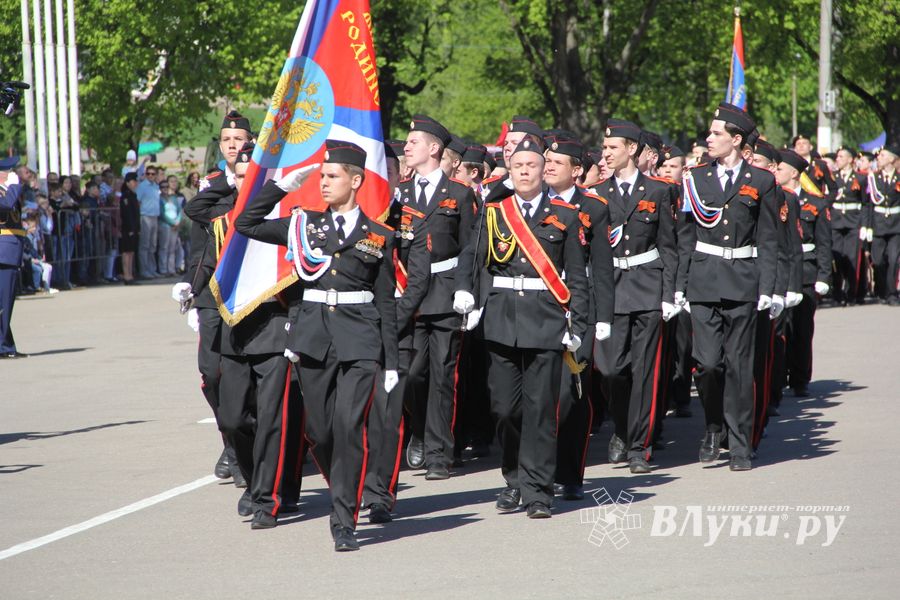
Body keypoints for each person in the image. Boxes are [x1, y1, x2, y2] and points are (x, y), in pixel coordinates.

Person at [235, 140, 399, 551]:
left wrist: (392, 361)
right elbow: (246, 223)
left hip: (360, 339)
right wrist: (280, 187)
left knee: (348, 427)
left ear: (356, 180)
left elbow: (385, 302)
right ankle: (346, 483)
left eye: (332, 176)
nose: (323, 183)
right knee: (320, 432)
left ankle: (344, 518)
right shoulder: (303, 224)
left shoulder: (378, 235)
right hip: (313, 338)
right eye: (322, 176)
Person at [454, 138, 589, 518]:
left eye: (532, 165)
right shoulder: (495, 212)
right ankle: (514, 475)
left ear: (543, 170)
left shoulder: (565, 215)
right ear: (510, 172)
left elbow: (577, 277)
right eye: (518, 166)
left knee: (541, 410)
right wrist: (464, 290)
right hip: (501, 320)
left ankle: (537, 492)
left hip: (546, 320)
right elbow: (471, 256)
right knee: (505, 409)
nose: (526, 171)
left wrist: (577, 323)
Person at [676, 103, 778, 471]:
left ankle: (739, 445)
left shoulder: (762, 181)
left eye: (717, 133)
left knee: (739, 366)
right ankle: (713, 425)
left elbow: (769, 238)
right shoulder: (694, 178)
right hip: (703, 280)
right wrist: (679, 286)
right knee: (707, 365)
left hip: (743, 280)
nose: (709, 138)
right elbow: (684, 238)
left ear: (736, 140)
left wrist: (769, 286)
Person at [392, 115, 477, 480]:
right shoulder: (400, 196)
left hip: (444, 294)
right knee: (411, 373)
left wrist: (466, 289)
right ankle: (418, 431)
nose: (406, 147)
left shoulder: (459, 194)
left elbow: (472, 246)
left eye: (413, 142)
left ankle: (439, 452)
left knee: (443, 376)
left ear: (434, 148)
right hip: (409, 293)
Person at [593, 120, 678, 474]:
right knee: (611, 370)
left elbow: (669, 246)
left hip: (647, 286)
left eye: (613, 147)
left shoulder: (658, 190)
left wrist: (671, 293)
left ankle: (639, 447)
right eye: (605, 147)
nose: (606, 153)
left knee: (645, 370)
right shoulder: (597, 193)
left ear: (632, 149)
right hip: (610, 287)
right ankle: (623, 428)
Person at [176, 110, 254, 484]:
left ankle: (241, 448)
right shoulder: (212, 185)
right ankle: (231, 440)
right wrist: (189, 287)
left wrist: (244, 179)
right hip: (210, 289)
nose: (232, 146)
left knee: (245, 372)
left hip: (250, 290)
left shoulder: (259, 181)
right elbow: (200, 243)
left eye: (238, 140)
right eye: (226, 141)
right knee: (211, 374)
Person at [542, 136, 614, 496]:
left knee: (573, 393)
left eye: (558, 161)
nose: (549, 165)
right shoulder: (527, 205)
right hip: (537, 307)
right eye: (547, 159)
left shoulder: (594, 207)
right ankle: (537, 473)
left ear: (577, 171)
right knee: (538, 392)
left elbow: (601, 266)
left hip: (578, 308)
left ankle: (570, 474)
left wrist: (604, 316)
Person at [778, 149, 832, 396]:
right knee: (781, 328)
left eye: (780, 168)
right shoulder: (775, 198)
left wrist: (823, 276)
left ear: (794, 174)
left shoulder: (816, 202)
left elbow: (824, 243)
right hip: (783, 269)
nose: (776, 172)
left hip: (807, 271)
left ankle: (800, 379)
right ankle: (779, 375)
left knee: (801, 328)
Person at [830, 146, 869, 305]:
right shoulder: (832, 177)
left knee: (852, 259)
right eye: (837, 157)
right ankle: (837, 293)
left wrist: (865, 225)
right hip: (836, 221)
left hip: (853, 222)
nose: (837, 159)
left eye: (840, 157)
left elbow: (865, 203)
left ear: (850, 159)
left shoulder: (860, 178)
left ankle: (851, 293)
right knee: (837, 258)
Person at [865, 144, 900, 305]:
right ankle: (882, 289)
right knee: (878, 260)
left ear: (892, 159)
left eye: (883, 155)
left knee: (894, 259)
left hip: (896, 224)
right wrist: (867, 225)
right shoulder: (874, 178)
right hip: (878, 223)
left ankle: (892, 293)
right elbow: (869, 204)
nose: (879, 158)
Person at [0, 155, 27, 358]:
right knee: (4, 303)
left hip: (9, 252)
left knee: (5, 302)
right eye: (9, 171)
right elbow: (7, 206)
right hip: (3, 253)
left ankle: (6, 346)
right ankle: (2, 346)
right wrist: (14, 187)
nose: (13, 174)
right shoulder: (6, 193)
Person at [136, 165, 161, 278]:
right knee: (145, 245)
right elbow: (138, 202)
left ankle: (152, 269)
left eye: (152, 174)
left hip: (155, 217)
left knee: (153, 245)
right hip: (145, 216)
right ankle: (144, 270)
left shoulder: (156, 186)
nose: (150, 176)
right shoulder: (142, 186)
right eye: (148, 174)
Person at [119, 173, 140, 284]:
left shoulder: (133, 195)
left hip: (134, 228)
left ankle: (130, 274)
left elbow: (136, 214)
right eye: (133, 181)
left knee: (131, 252)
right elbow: (127, 214)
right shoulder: (126, 196)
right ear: (127, 182)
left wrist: (137, 228)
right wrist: (131, 228)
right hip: (127, 228)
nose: (135, 183)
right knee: (126, 252)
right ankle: (126, 275)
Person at [158, 179, 182, 276]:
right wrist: (172, 223)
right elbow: (162, 214)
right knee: (164, 247)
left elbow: (180, 210)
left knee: (172, 248)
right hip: (165, 225)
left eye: (166, 187)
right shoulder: (159, 199)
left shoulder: (174, 198)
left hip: (175, 225)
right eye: (162, 187)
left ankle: (171, 269)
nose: (164, 189)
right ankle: (163, 270)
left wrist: (177, 222)